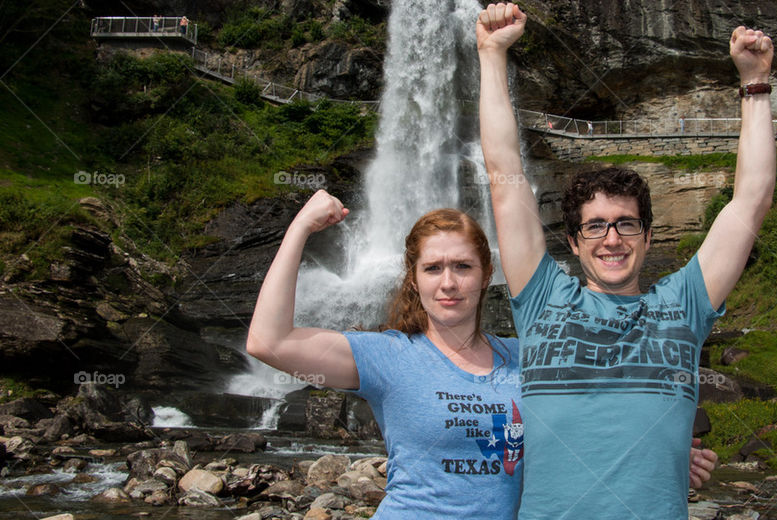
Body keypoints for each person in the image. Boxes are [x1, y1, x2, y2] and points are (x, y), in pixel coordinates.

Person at [247, 191, 718, 519]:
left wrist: (665, 453)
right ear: (414, 279)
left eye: (462, 267)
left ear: (488, 273)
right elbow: (268, 342)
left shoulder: (529, 357)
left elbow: (601, 409)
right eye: (433, 268)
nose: (448, 283)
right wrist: (301, 227)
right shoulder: (387, 356)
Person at [477, 2, 775, 519]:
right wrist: (491, 53)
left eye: (626, 223)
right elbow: (503, 176)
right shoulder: (542, 297)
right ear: (572, 242)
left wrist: (754, 84)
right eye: (595, 226)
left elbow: (751, 199)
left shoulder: (685, 303)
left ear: (647, 235)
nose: (611, 239)